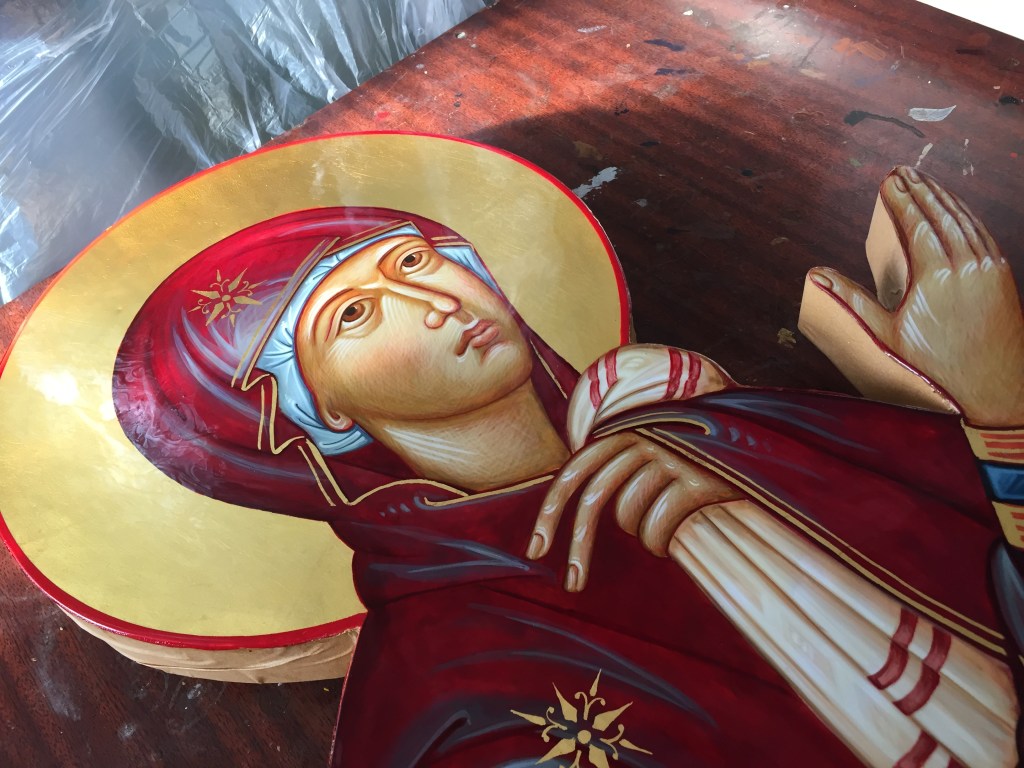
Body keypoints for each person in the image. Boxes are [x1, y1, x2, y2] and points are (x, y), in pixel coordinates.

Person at [114, 170, 1023, 768]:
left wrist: (993, 406)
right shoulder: (450, 683)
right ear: (324, 413)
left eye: (415, 259)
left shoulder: (704, 430)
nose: (432, 300)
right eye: (354, 317)